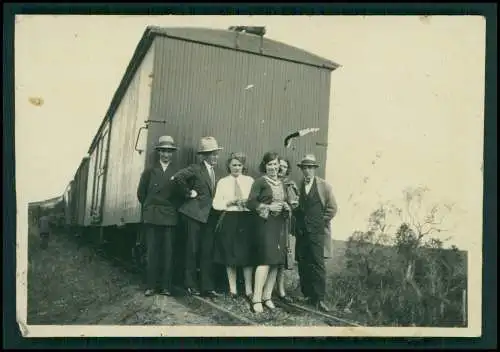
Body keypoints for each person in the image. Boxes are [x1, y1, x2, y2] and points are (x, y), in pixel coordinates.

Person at [172, 136, 223, 298]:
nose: (215, 157)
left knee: (207, 251)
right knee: (192, 250)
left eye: (216, 154)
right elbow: (177, 178)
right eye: (212, 154)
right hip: (193, 215)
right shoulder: (195, 168)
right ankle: (190, 285)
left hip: (208, 218)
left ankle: (207, 287)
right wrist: (188, 193)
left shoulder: (215, 172)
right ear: (205, 155)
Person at [246, 152, 292, 313]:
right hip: (264, 224)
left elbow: (284, 201)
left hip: (278, 225)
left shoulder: (282, 183)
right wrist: (269, 207)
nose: (273, 167)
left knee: (276, 261)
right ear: (265, 166)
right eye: (270, 164)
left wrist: (286, 207)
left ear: (279, 165)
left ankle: (267, 297)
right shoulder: (260, 182)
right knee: (265, 260)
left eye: (275, 164)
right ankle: (256, 298)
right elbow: (250, 203)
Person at [137, 135, 181, 297]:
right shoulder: (149, 171)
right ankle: (151, 286)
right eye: (163, 151)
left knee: (168, 253)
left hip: (169, 217)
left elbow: (180, 195)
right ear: (158, 152)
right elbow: (141, 194)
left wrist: (171, 208)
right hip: (152, 215)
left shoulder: (177, 172)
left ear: (172, 153)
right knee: (152, 251)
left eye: (169, 151)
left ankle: (166, 287)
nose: (166, 155)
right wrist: (151, 206)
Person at [294, 154, 338, 312]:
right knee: (303, 262)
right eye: (304, 168)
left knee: (318, 264)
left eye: (310, 168)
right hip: (302, 232)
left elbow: (332, 209)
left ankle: (319, 299)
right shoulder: (299, 185)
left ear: (314, 169)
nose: (307, 171)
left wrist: (320, 222)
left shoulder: (324, 186)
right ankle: (307, 295)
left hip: (317, 233)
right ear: (301, 169)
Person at [212, 152, 255, 300]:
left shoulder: (250, 181)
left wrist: (246, 202)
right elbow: (216, 204)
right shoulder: (223, 182)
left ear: (243, 166)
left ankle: (249, 290)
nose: (237, 168)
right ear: (229, 166)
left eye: (239, 165)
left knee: (247, 255)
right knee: (230, 253)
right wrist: (229, 202)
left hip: (246, 219)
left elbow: (255, 201)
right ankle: (233, 289)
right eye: (234, 165)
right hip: (230, 219)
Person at [275, 157, 300, 303]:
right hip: (270, 222)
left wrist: (290, 204)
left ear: (287, 170)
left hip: (284, 224)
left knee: (282, 257)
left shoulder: (290, 185)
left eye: (284, 167)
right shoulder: (268, 181)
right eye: (279, 165)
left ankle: (281, 289)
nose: (281, 169)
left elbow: (295, 204)